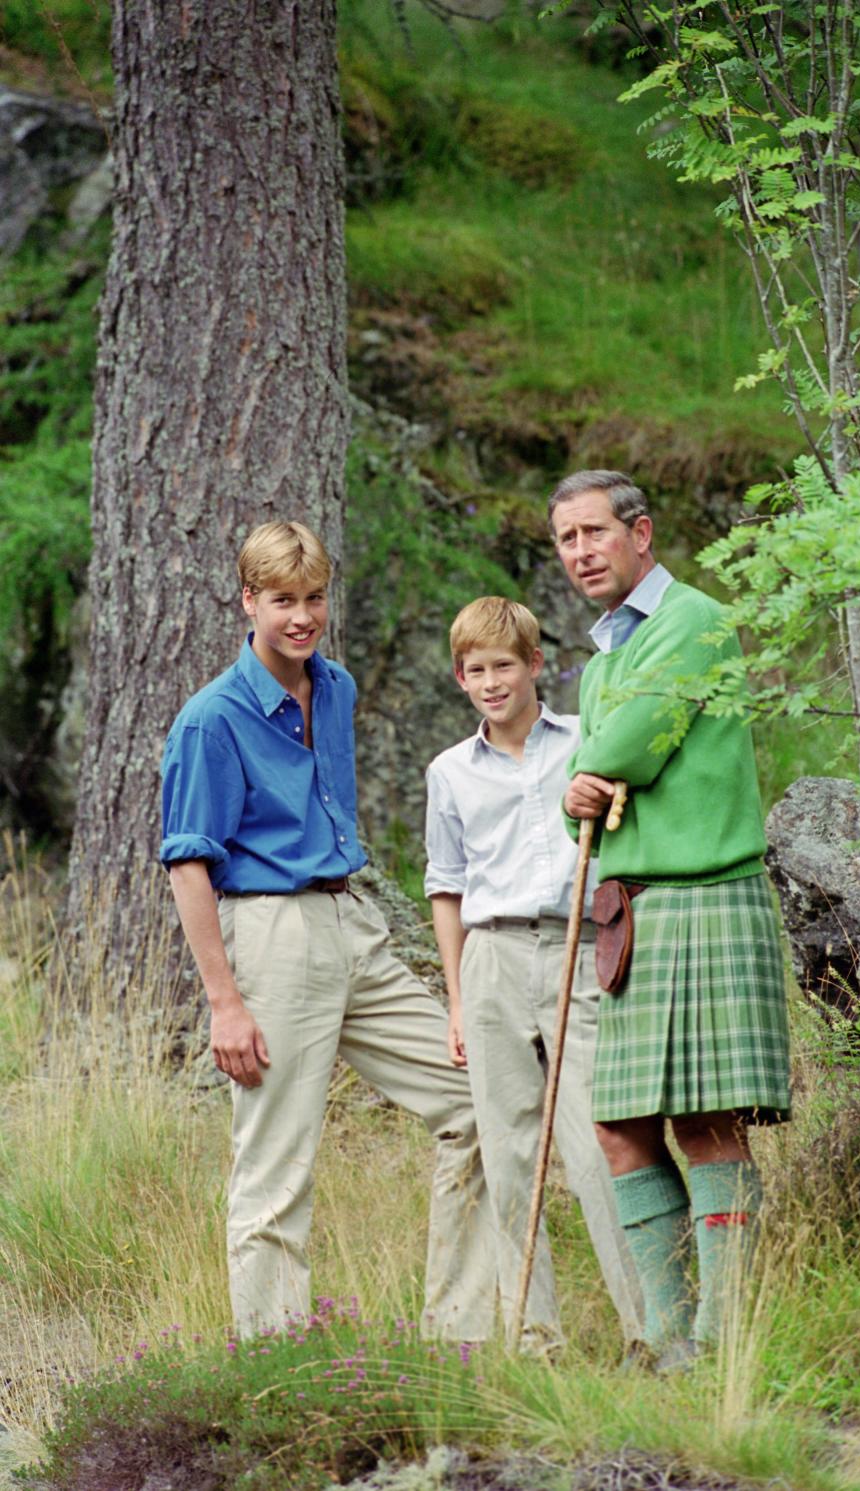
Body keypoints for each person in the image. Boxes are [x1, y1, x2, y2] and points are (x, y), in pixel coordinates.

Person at [160, 519, 495, 1341]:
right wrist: (224, 1002)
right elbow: (187, 864)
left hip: (353, 919)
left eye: (314, 598)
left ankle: (463, 1337)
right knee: (275, 1168)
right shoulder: (212, 720)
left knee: (476, 1101)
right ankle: (279, 1371)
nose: (302, 617)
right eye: (282, 601)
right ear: (248, 600)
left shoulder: (334, 685)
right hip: (272, 934)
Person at [548, 470, 791, 1369]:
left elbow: (627, 751)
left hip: (704, 894)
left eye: (595, 533)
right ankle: (670, 1346)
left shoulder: (696, 619)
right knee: (621, 1127)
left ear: (640, 532)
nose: (580, 553)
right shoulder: (608, 654)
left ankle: (725, 1342)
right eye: (566, 539)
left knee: (707, 1122)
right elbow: (573, 794)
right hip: (634, 912)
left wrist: (591, 774)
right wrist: (580, 783)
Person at [424, 596, 645, 1356]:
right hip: (490, 958)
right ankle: (533, 1337)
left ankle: (647, 1329)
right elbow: (446, 887)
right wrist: (457, 1000)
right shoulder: (450, 772)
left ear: (535, 665)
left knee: (594, 1144)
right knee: (510, 1154)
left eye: (504, 666)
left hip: (575, 949)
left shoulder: (583, 742)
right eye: (476, 670)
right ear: (461, 677)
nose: (492, 682)